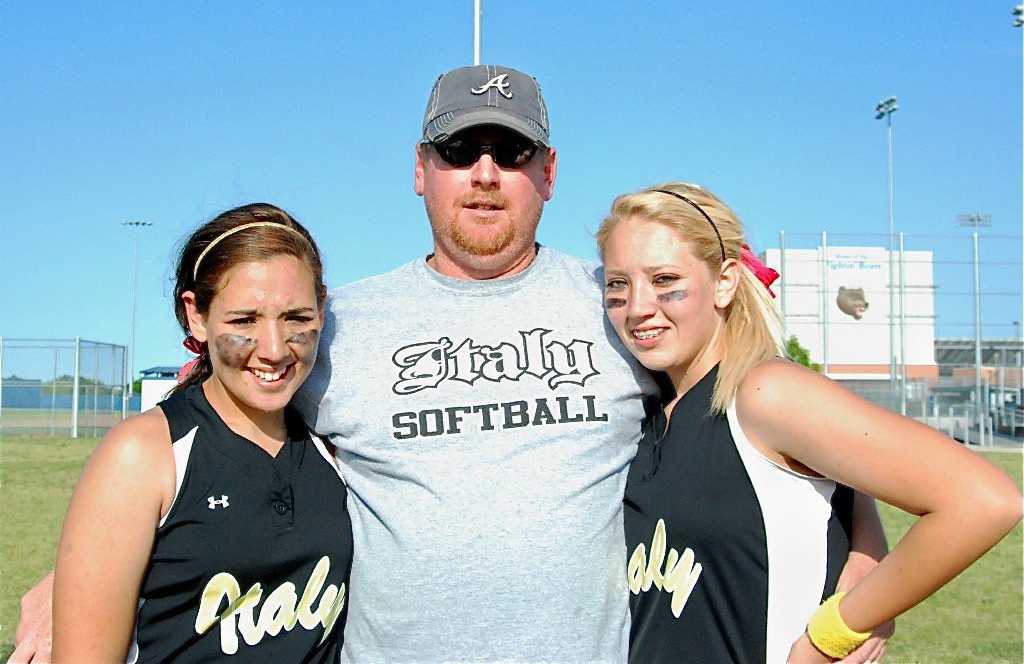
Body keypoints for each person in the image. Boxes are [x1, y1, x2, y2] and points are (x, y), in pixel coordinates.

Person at [13, 66, 889, 663]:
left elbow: (796, 441)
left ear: (547, 173)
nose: (483, 173)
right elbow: (200, 428)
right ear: (419, 172)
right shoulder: (335, 323)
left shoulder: (624, 305)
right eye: (458, 150)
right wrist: (76, 573)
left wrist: (861, 569)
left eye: (509, 153)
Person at [596, 181, 1023, 663]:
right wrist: (865, 545)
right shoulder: (648, 414)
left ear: (725, 281)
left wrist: (835, 632)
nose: (637, 308)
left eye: (665, 279)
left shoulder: (765, 392)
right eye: (618, 284)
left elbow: (983, 502)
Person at [50, 204, 353, 662]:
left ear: (322, 308)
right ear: (196, 316)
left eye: (296, 317)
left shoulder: (337, 446)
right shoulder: (143, 455)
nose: (273, 349)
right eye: (244, 321)